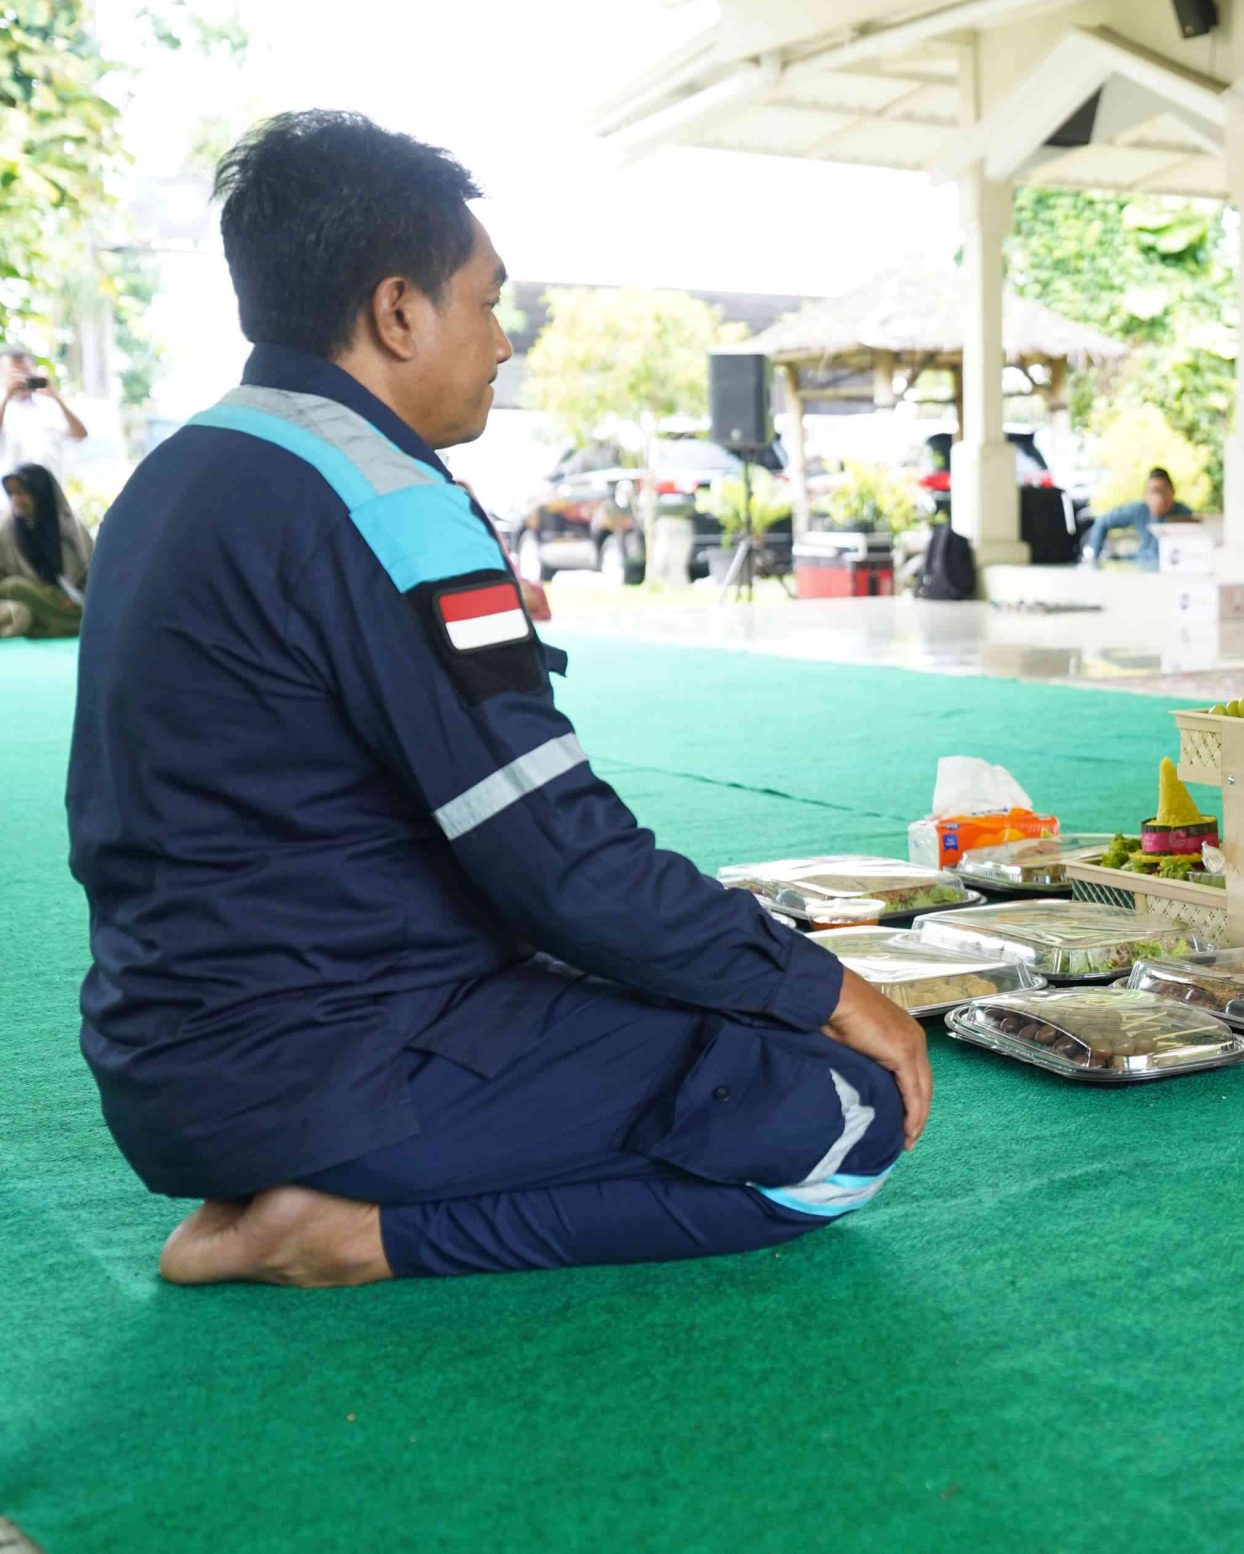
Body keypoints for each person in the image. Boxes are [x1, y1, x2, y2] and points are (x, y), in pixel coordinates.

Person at [71, 111, 930, 1288]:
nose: (504, 341)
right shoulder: (384, 498)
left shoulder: (179, 472)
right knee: (841, 1113)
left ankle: (331, 1178)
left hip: (171, 1052)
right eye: (488, 302)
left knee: (686, 996)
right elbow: (559, 865)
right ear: (396, 311)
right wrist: (821, 982)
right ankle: (354, 1236)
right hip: (335, 1061)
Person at [0, 463, 92, 638]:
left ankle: (55, 625)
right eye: (12, 494)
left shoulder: (69, 526)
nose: (16, 500)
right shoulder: (5, 528)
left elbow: (93, 569)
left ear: (41, 494)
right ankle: (78, 624)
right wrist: (54, 598)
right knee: (15, 588)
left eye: (22, 493)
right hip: (18, 596)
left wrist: (75, 597)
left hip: (71, 601)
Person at [1, 346, 89, 477]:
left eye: (26, 373)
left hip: (49, 491)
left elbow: (80, 435)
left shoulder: (50, 405)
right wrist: (7, 396)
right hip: (11, 492)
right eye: (14, 374)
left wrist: (56, 397)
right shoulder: (4, 407)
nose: (21, 379)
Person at [1082, 466, 1193, 567]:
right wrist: (1094, 559)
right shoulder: (1138, 509)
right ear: (1146, 495)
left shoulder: (1185, 513)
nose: (1159, 496)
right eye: (1153, 491)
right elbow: (1102, 522)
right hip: (1141, 565)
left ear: (1172, 491)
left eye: (1163, 490)